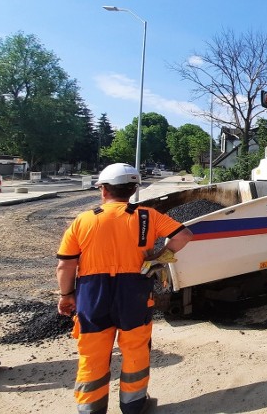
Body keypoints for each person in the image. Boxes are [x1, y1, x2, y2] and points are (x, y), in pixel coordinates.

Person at [56, 163, 193, 414]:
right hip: (135, 290)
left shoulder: (83, 220)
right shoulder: (148, 216)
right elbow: (184, 235)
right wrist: (161, 257)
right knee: (135, 349)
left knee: (93, 353)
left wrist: (66, 296)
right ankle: (133, 405)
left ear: (104, 189)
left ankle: (90, 408)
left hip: (92, 292)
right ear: (132, 190)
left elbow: (66, 265)